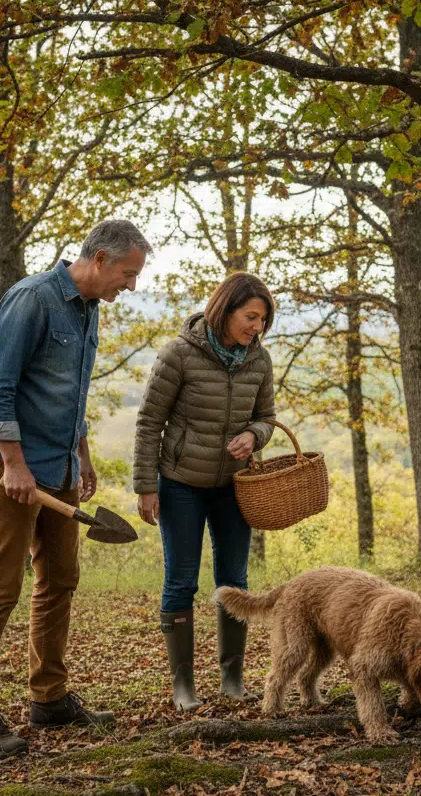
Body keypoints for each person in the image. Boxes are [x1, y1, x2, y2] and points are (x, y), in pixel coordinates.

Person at [0, 220, 152, 757]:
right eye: (128, 274)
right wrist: (12, 464)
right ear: (102, 258)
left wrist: (82, 454)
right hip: (10, 466)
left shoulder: (87, 310)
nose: (130, 286)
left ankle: (49, 698)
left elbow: (68, 391)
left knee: (60, 579)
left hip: (61, 467)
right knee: (0, 586)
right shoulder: (32, 299)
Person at [133, 272, 277, 711]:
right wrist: (145, 486)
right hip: (180, 485)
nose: (257, 327)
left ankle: (233, 680)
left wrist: (254, 435)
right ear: (226, 309)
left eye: (263, 320)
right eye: (250, 316)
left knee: (234, 582)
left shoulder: (259, 360)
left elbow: (268, 417)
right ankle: (183, 686)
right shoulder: (179, 353)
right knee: (181, 582)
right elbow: (148, 422)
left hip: (234, 488)